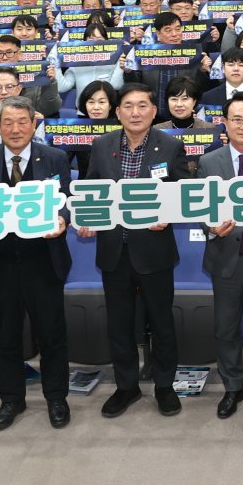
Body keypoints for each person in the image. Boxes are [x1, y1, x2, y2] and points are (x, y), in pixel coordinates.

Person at [0, 95, 74, 431]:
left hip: (43, 261)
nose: (15, 129)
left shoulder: (55, 158)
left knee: (52, 334)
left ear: (34, 123)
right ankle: (11, 399)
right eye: (7, 123)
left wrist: (63, 220)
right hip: (1, 263)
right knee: (6, 335)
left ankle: (57, 397)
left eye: (22, 122)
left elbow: (66, 202)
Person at [83, 83, 188, 418]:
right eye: (128, 106)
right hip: (114, 249)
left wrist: (168, 217)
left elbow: (182, 195)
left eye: (143, 105)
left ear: (154, 111)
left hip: (154, 248)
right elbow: (90, 188)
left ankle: (164, 385)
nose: (135, 112)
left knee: (161, 321)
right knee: (120, 323)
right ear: (118, 112)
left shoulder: (170, 146)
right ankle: (126, 386)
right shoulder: (101, 146)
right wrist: (86, 217)